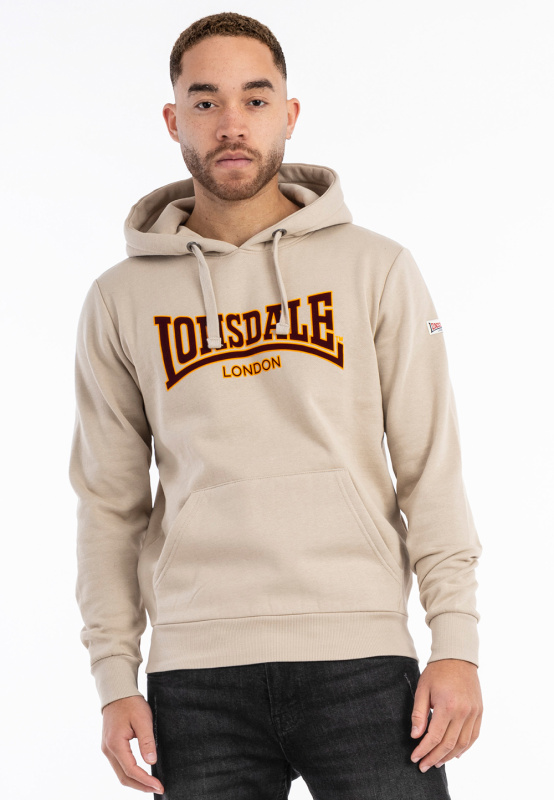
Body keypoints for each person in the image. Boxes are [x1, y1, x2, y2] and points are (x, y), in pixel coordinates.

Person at [69, 11, 484, 799]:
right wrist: (114, 676)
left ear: (289, 114)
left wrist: (456, 643)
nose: (232, 123)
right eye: (205, 101)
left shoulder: (377, 268)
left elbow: (431, 467)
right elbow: (109, 504)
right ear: (173, 120)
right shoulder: (120, 299)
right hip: (195, 681)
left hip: (362, 662)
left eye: (255, 100)